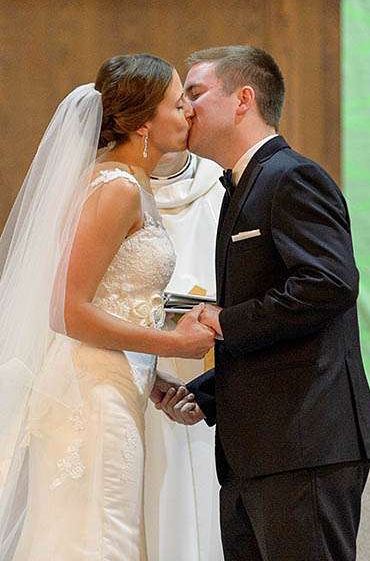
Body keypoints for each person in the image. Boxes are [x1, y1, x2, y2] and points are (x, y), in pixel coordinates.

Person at [0, 53, 216, 560]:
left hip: (111, 383)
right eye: (179, 105)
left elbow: (114, 302)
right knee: (100, 539)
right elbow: (67, 310)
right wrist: (172, 342)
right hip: (90, 397)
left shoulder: (129, 185)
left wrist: (152, 380)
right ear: (142, 122)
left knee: (97, 533)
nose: (189, 114)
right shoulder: (117, 190)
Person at [160, 45, 370, 561]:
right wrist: (208, 393)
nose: (186, 109)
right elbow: (279, 331)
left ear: (244, 99)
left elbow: (329, 285)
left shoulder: (291, 176)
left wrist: (221, 321)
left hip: (303, 445)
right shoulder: (241, 186)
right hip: (258, 451)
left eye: (195, 93)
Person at [145, 150, 225, 560]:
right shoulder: (112, 186)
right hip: (133, 373)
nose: (185, 115)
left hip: (207, 372)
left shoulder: (219, 185)